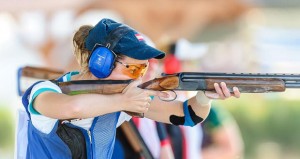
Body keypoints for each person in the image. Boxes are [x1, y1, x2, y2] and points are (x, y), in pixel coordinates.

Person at [21, 18, 240, 159]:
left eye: (144, 69)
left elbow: (186, 115)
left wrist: (204, 97)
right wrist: (123, 102)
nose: (142, 76)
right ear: (101, 62)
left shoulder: (121, 98)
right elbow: (73, 108)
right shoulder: (45, 91)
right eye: (134, 68)